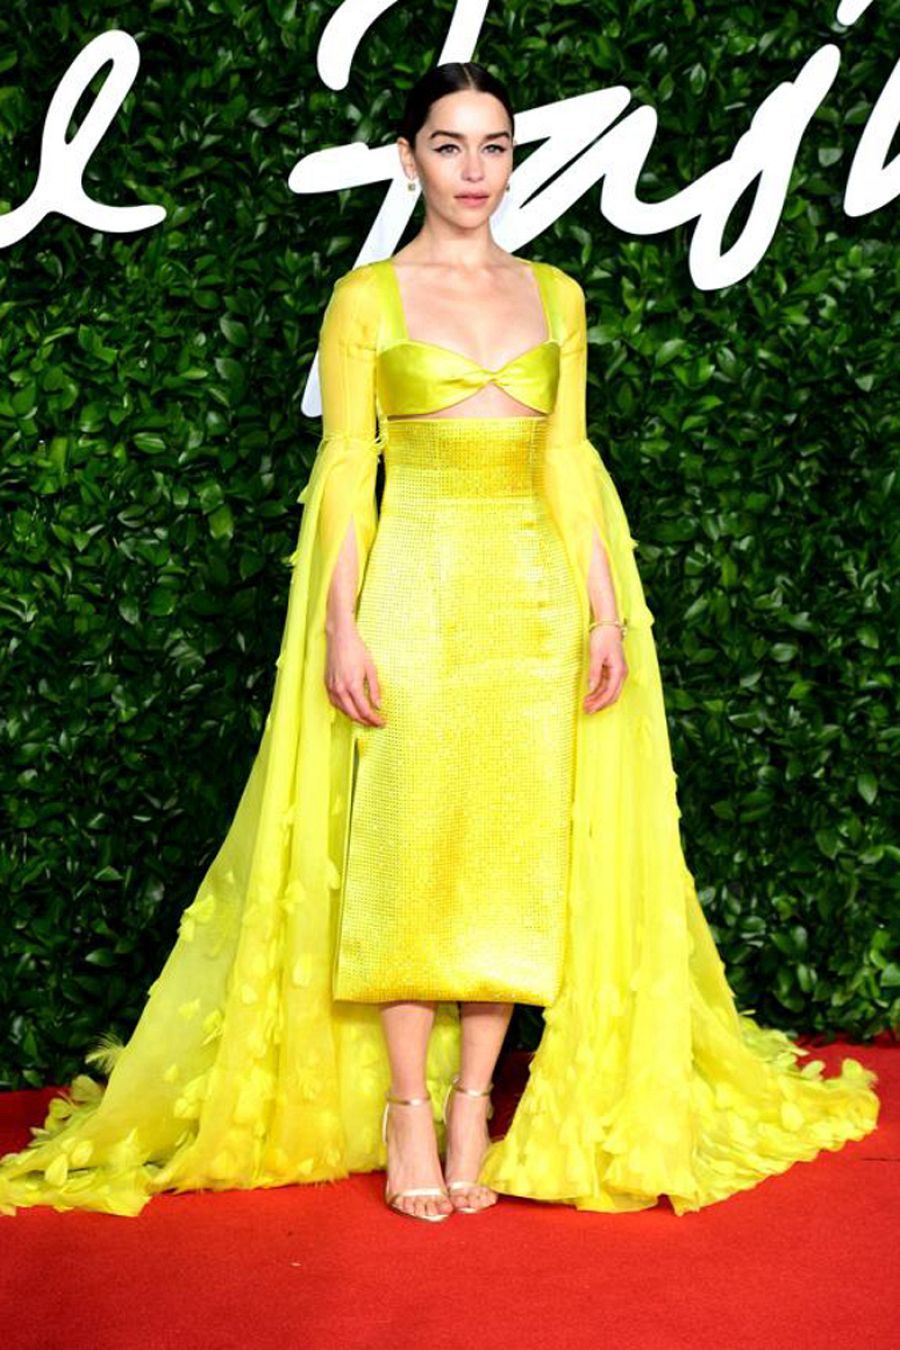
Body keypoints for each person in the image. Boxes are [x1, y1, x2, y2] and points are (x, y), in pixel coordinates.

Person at [0, 62, 880, 1225]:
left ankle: (475, 1104)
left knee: (513, 857)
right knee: (410, 854)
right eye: (451, 145)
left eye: (495, 145)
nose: (476, 170)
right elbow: (345, 471)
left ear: (513, 158)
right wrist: (341, 623)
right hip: (412, 593)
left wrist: (604, 613)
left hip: (534, 605)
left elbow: (568, 462)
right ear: (408, 158)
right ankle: (405, 1108)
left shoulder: (555, 294)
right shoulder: (368, 297)